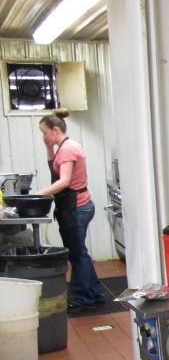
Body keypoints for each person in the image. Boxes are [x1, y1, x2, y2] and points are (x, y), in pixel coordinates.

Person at [37, 110, 109, 312]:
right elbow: (56, 172)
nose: (44, 137)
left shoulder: (68, 149)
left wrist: (39, 194)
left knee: (77, 255)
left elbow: (64, 181)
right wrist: (49, 148)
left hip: (77, 207)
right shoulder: (64, 148)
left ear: (56, 129)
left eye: (45, 133)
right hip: (76, 206)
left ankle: (82, 298)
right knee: (80, 253)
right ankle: (94, 293)